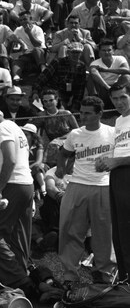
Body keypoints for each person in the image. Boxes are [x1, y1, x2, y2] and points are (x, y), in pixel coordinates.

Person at [57, 96, 115, 284]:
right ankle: (69, 275)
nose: (83, 116)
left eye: (88, 113)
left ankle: (104, 273)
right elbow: (64, 153)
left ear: (99, 114)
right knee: (70, 230)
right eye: (81, 112)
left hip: (103, 186)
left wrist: (111, 164)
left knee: (104, 233)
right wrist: (60, 169)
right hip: (77, 185)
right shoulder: (75, 134)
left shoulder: (112, 132)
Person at [0, 108, 35, 297]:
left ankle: (16, 278)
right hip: (25, 183)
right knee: (18, 233)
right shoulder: (15, 128)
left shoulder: (3, 127)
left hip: (13, 184)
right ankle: (22, 274)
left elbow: (10, 159)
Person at [96, 83, 130, 281]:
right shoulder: (119, 121)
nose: (119, 103)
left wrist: (116, 161)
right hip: (118, 175)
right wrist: (107, 161)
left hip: (126, 171)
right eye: (115, 99)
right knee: (119, 230)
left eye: (123, 97)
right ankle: (125, 278)